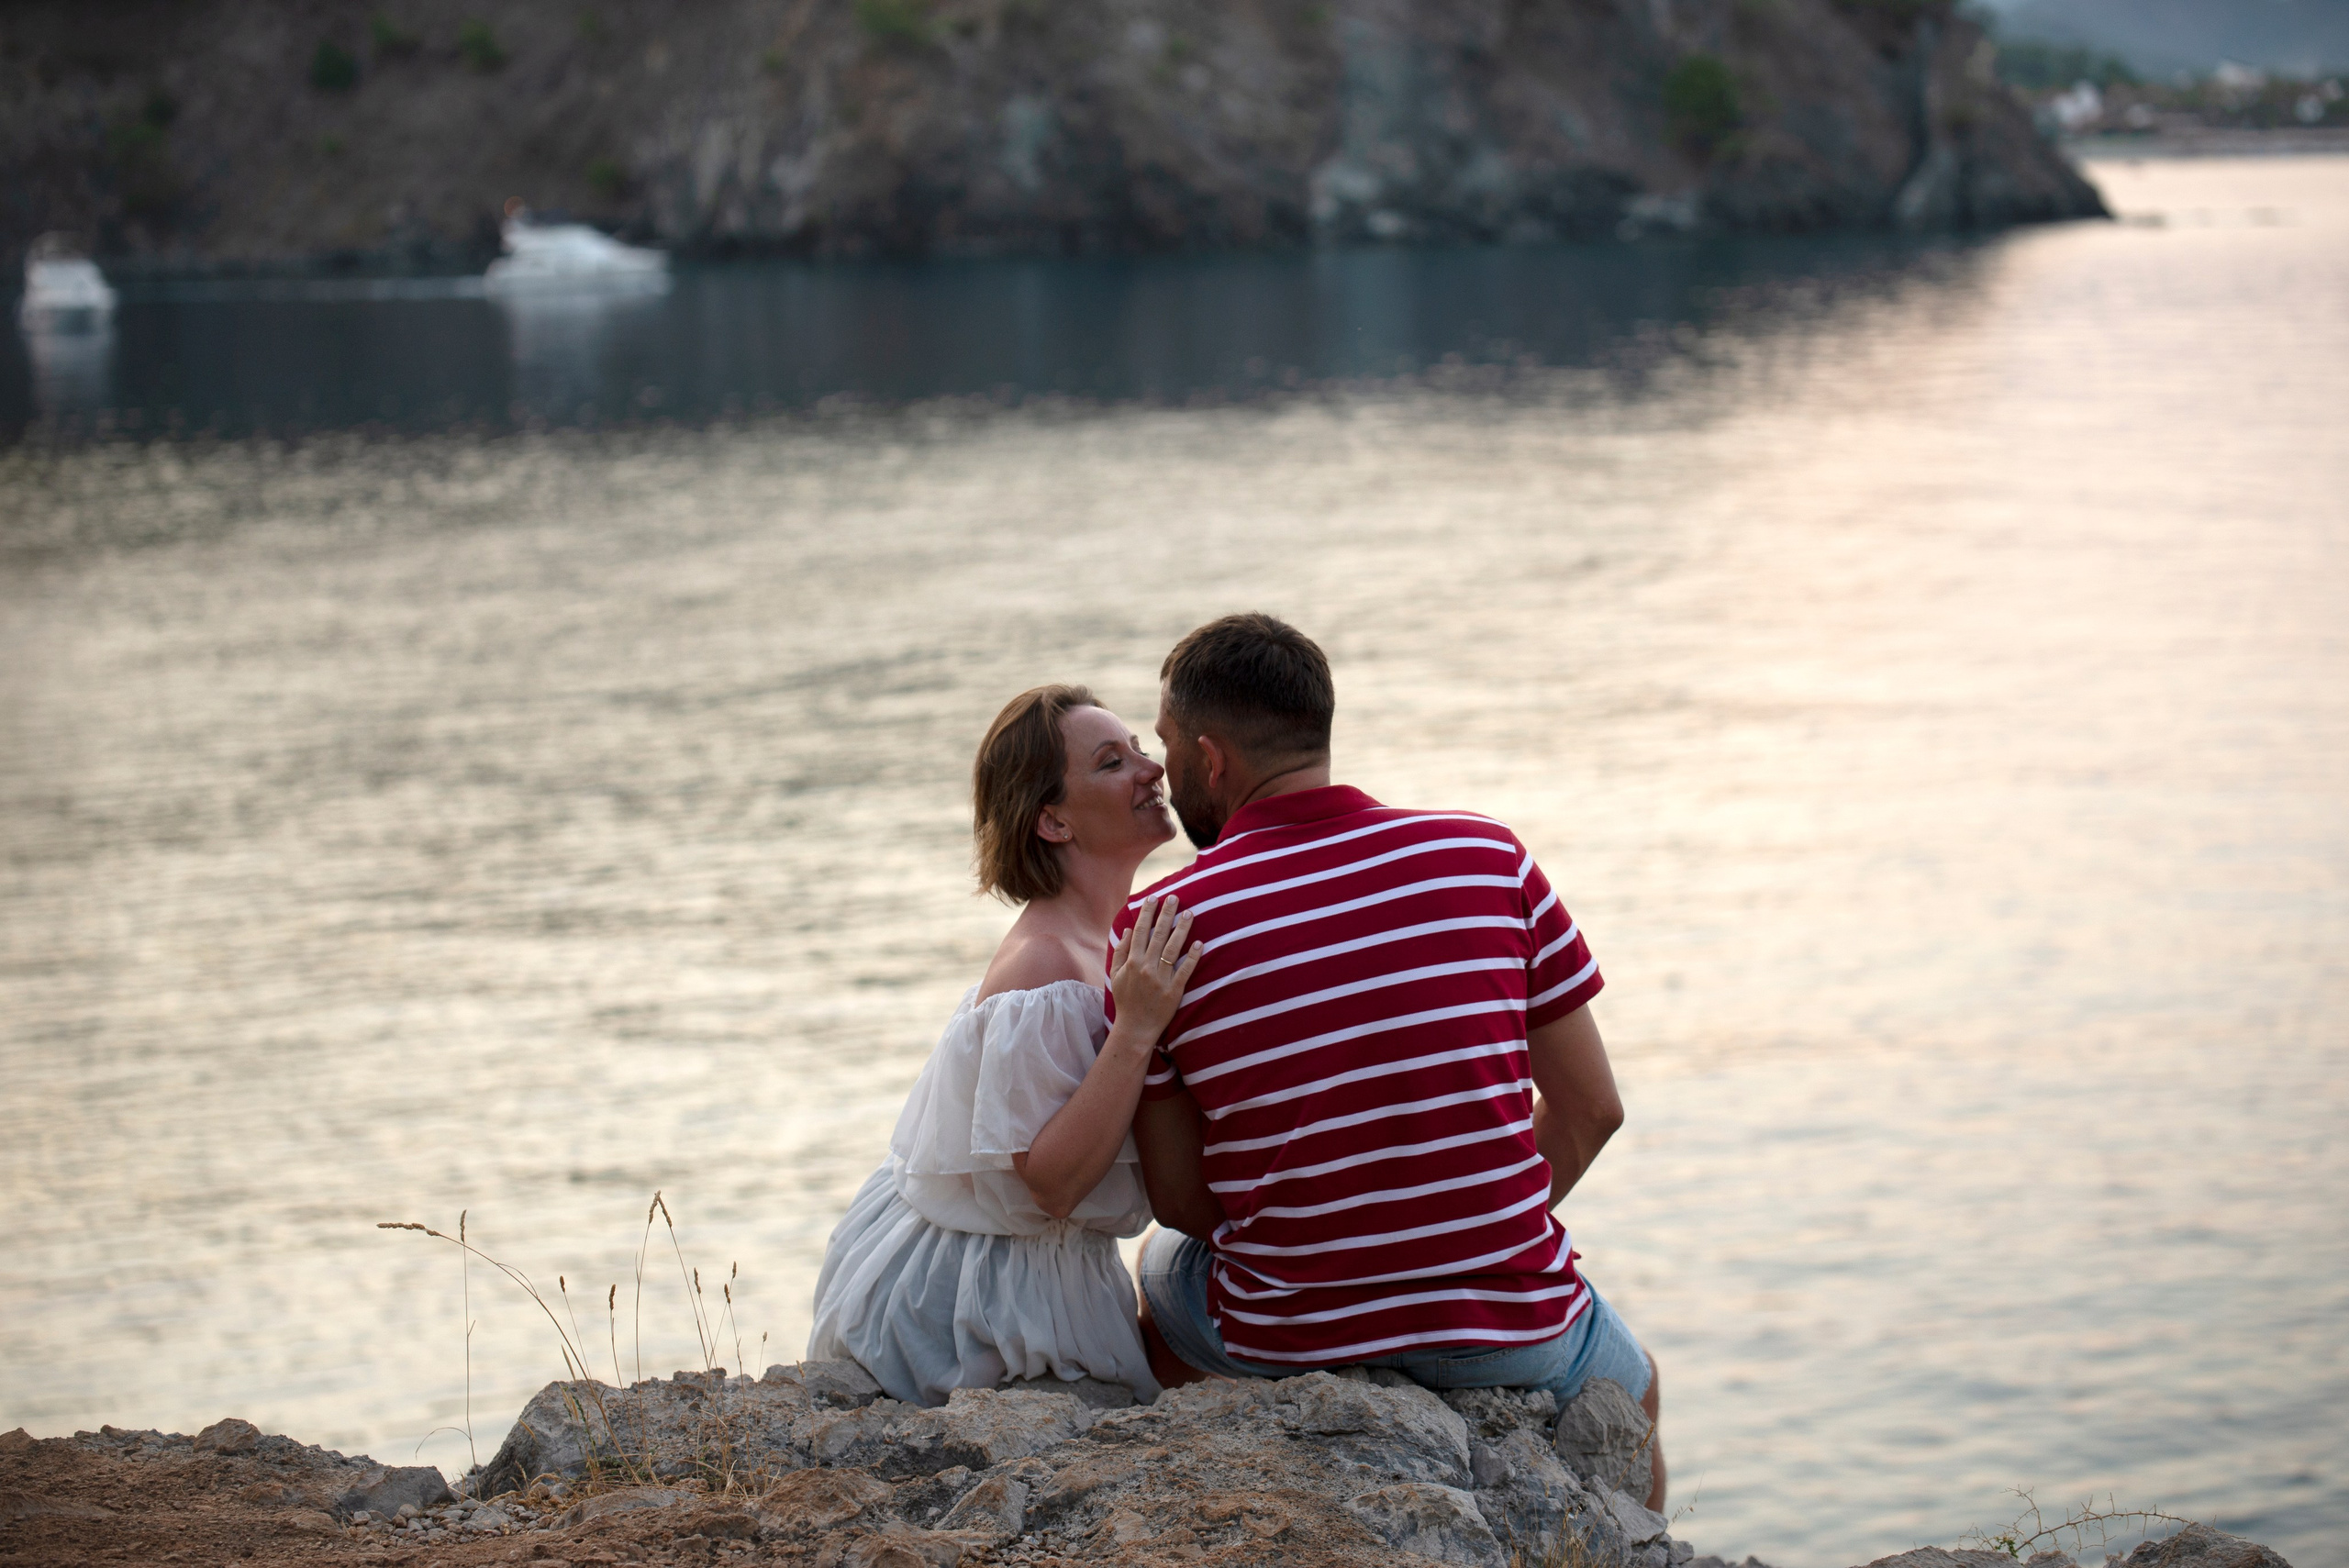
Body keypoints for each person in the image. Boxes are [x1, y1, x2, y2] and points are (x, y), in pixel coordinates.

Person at [1119, 613, 1667, 1509]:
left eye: (1171, 745)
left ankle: (1225, 1502)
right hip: (1507, 1326)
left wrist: (1335, 1249)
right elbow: (1590, 1110)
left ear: (1210, 760)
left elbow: (1185, 1201)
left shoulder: (1159, 925)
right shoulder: (1487, 858)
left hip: (1286, 1331)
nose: (1167, 768)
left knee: (1156, 1267)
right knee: (1636, 1383)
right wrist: (1462, 1233)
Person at [807, 684, 1204, 1407]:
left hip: (1046, 1270)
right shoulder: (1044, 964)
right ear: (1053, 820)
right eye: (1113, 762)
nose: (1151, 770)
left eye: (1142, 750)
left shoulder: (1104, 938)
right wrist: (1138, 1028)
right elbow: (1050, 1184)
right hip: (969, 1299)